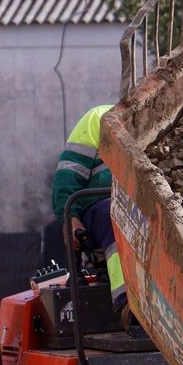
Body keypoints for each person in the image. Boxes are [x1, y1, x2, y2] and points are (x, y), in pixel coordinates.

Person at [51, 103, 127, 315]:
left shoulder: (164, 117)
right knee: (118, 214)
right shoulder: (99, 118)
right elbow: (68, 173)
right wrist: (69, 217)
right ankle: (127, 303)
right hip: (99, 205)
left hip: (138, 205)